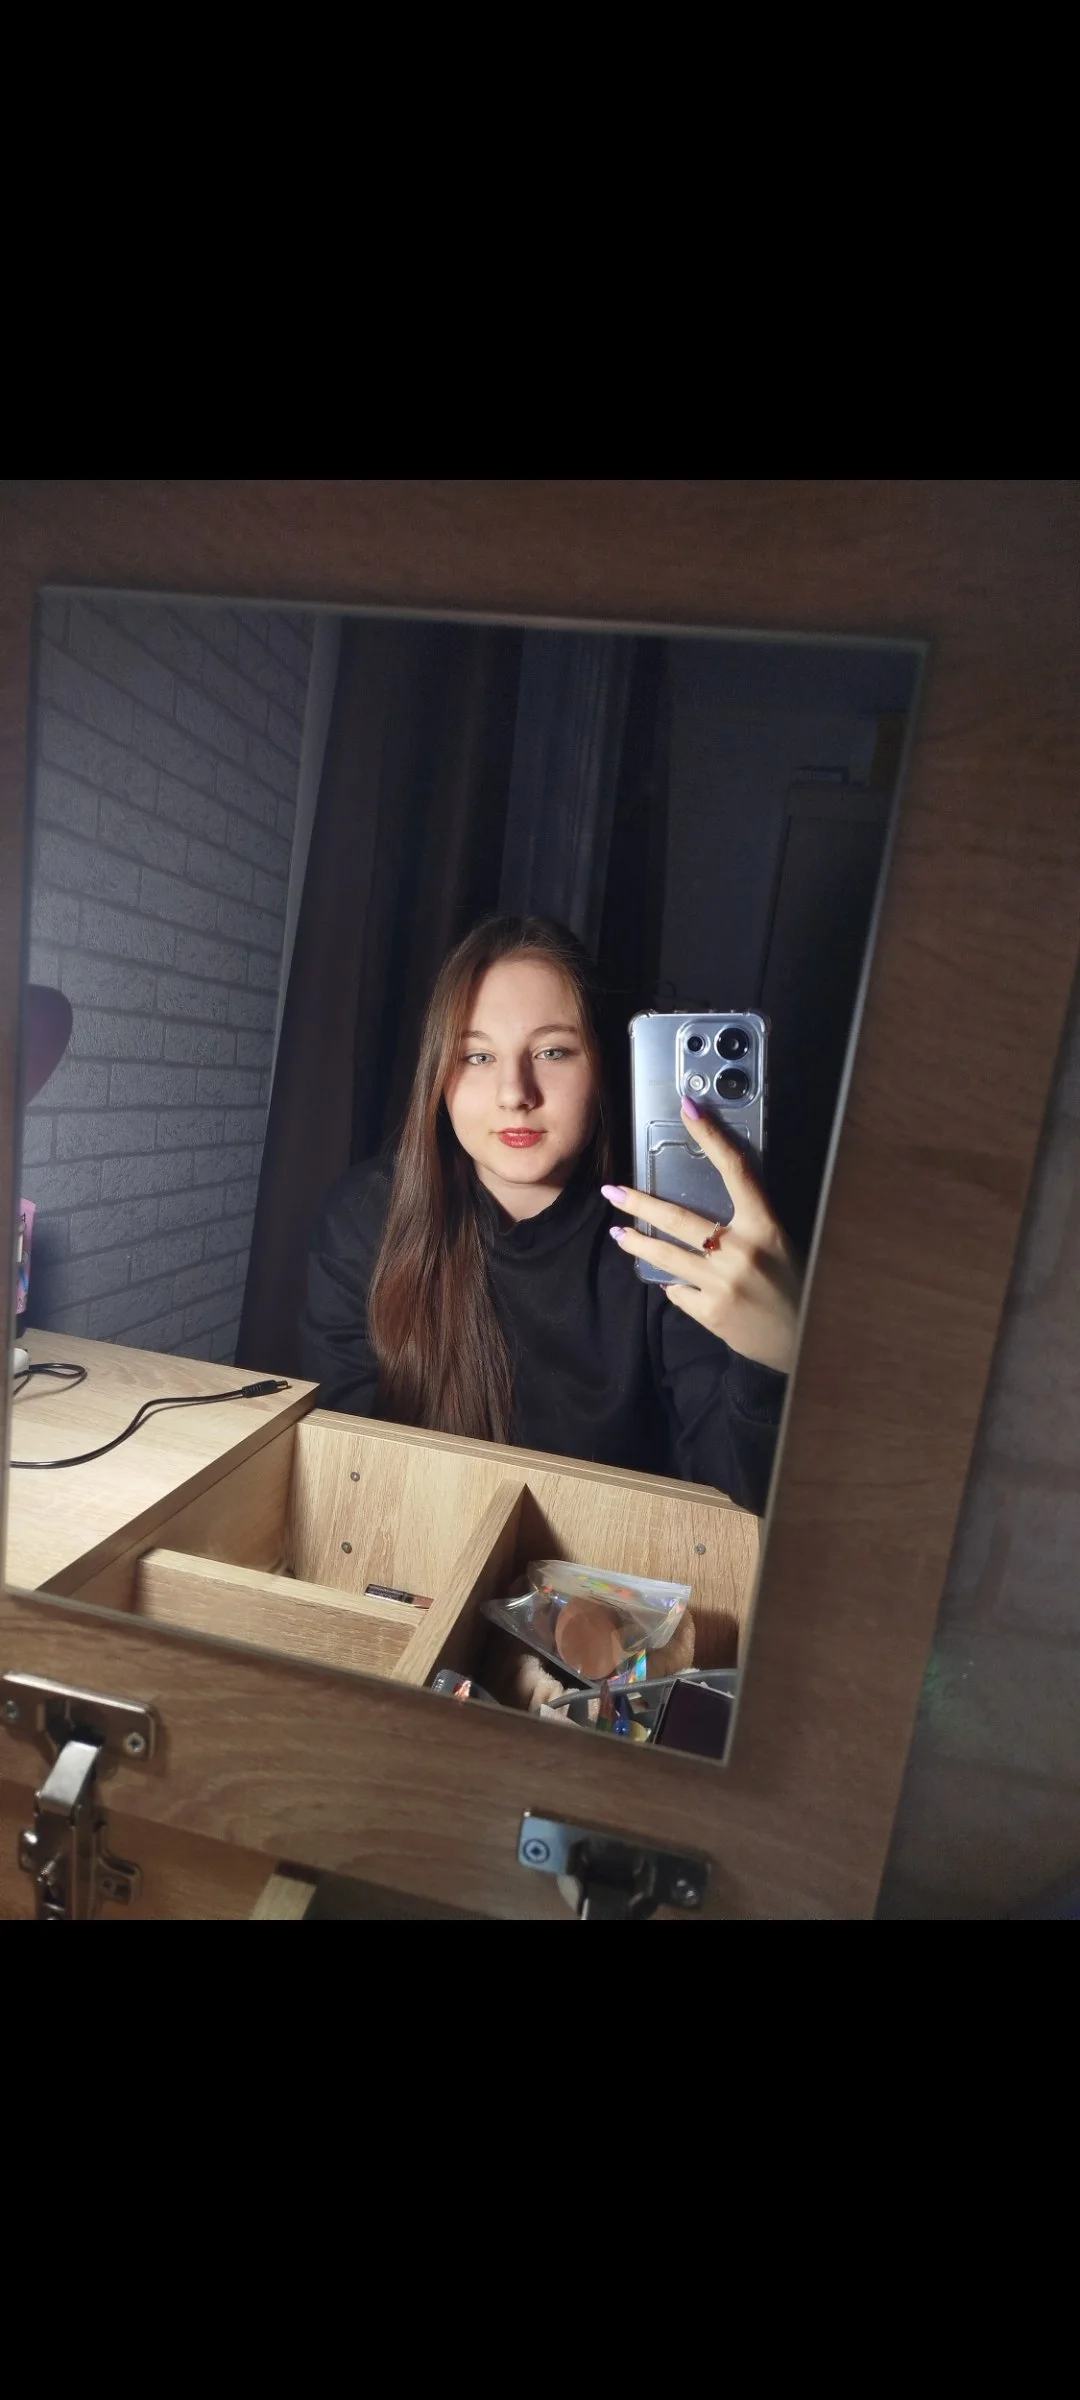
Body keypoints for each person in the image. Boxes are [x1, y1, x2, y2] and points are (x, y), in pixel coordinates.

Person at [299, 914, 802, 1522]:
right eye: (477, 1056)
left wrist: (775, 1360)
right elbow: (346, 1463)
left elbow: (738, 1500)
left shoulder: (669, 1237)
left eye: (552, 1051)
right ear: (437, 1078)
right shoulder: (364, 1217)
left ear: (602, 1069)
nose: (515, 1092)